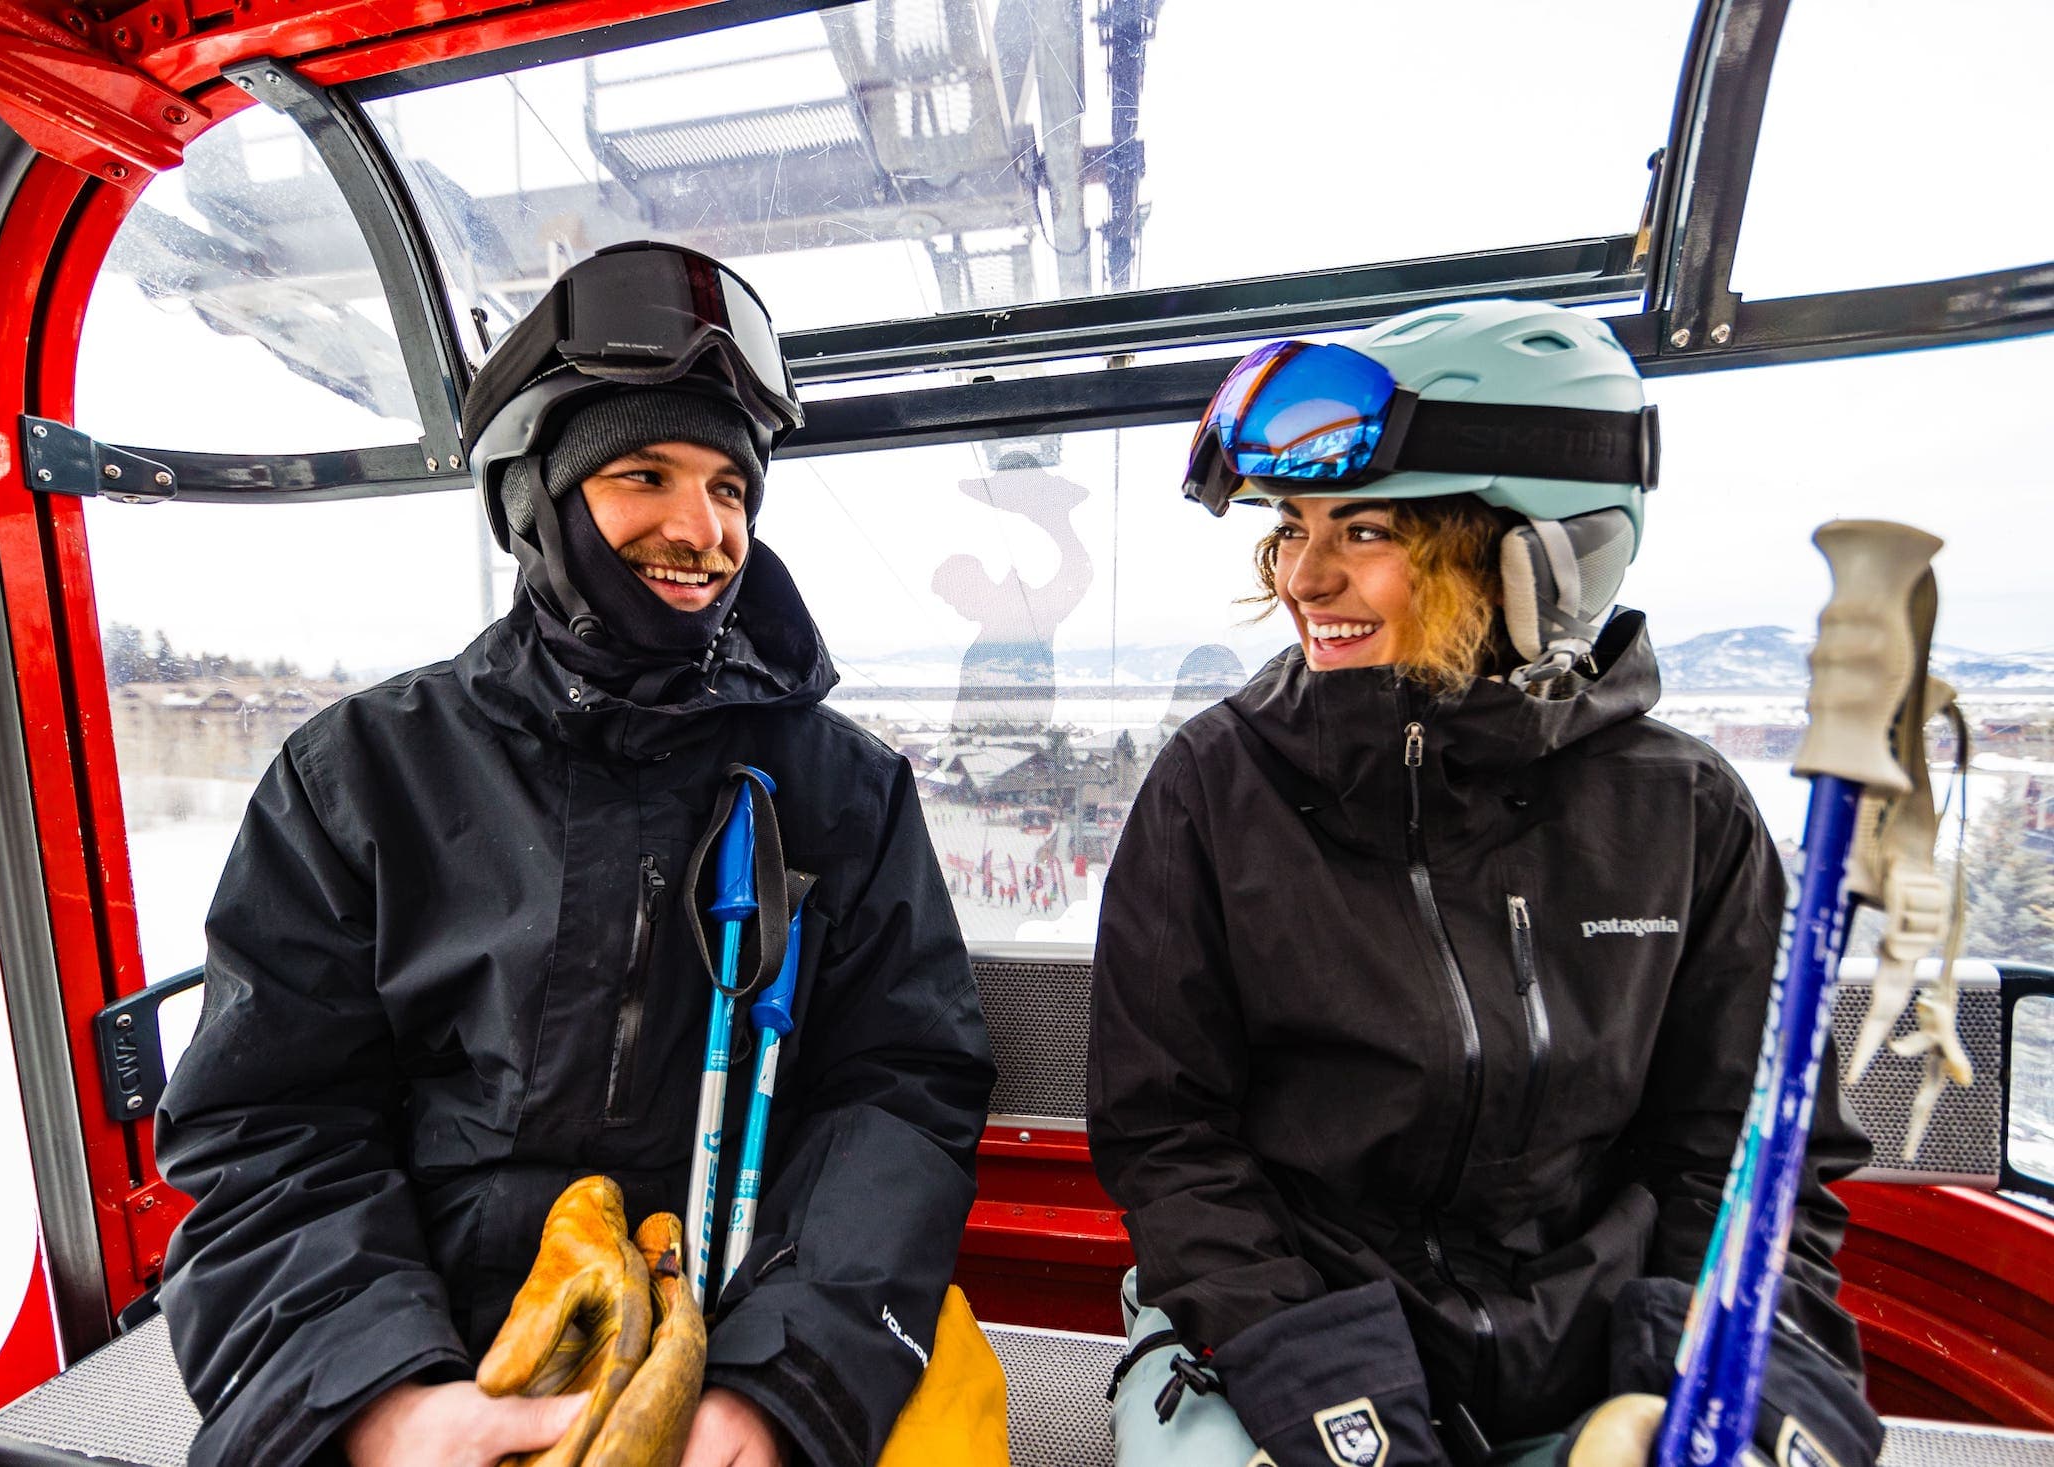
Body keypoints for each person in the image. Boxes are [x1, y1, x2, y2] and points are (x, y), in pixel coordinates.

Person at [155, 241, 995, 1467]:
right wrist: (385, 1400)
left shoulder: (840, 790)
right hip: (432, 1317)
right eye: (642, 472)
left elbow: (898, 1094)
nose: (699, 528)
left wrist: (778, 1392)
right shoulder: (363, 778)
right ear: (537, 500)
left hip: (757, 1297)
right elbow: (269, 1123)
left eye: (730, 489)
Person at [1086, 302, 1884, 1467]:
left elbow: (1748, 1150)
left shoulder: (1686, 811)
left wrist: (1717, 1364)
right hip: (1276, 1313)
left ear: (1530, 557)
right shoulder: (1217, 786)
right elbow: (1168, 1139)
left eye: (1361, 531)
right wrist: (1322, 1379)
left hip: (1595, 1342)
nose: (1302, 575)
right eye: (1290, 528)